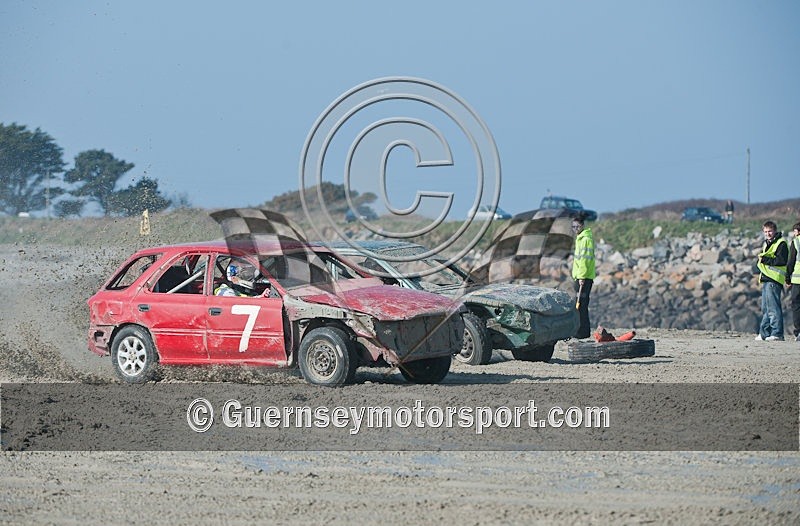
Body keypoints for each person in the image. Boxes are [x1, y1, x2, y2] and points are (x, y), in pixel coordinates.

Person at [755, 221, 788, 341]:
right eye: (765, 232)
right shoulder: (767, 243)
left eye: (769, 231)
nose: (768, 234)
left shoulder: (781, 243)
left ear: (775, 231)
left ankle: (777, 333)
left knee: (773, 308)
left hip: (774, 279)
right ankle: (764, 333)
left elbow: (782, 260)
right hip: (766, 278)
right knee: (765, 308)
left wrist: (765, 259)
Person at [571, 214, 595, 339]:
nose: (575, 229)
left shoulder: (585, 239)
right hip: (580, 277)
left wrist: (581, 277)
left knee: (580, 305)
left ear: (582, 226)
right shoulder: (580, 238)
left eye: (577, 226)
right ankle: (581, 332)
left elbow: (585, 261)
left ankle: (582, 332)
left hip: (584, 278)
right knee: (580, 304)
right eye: (573, 227)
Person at [785, 222, 800, 342]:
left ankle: (799, 332)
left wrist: (787, 277)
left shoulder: (796, 242)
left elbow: (791, 261)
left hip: (797, 279)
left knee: (796, 305)